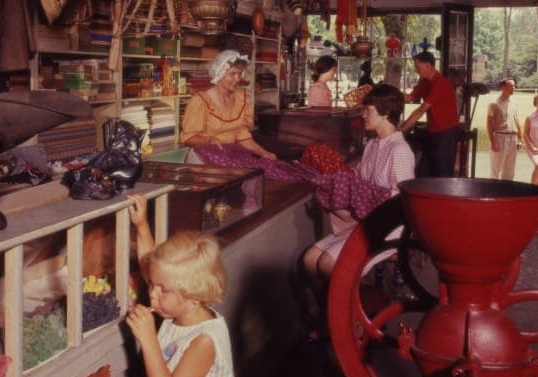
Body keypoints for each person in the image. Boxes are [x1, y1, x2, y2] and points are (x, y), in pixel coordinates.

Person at [125, 193, 265, 377]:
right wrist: (141, 225)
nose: (151, 293)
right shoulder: (179, 307)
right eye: (152, 284)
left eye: (162, 289)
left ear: (193, 297)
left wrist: (148, 339)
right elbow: (149, 266)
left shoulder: (204, 341)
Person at [302, 84, 415, 332]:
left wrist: (364, 199)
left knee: (328, 265)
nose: (363, 114)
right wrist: (335, 176)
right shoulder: (375, 144)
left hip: (390, 226)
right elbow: (361, 179)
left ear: (385, 113)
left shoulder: (400, 150)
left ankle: (351, 323)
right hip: (371, 219)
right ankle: (332, 316)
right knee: (310, 260)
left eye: (368, 110)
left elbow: (402, 201)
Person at [180, 49, 277, 160]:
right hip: (205, 155)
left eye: (240, 74)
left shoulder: (241, 98)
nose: (237, 79)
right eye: (232, 73)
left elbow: (242, 135)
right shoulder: (200, 101)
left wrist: (263, 153)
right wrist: (209, 140)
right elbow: (188, 139)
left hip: (231, 152)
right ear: (219, 73)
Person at [400, 51, 460, 177]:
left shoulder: (440, 84)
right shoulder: (425, 82)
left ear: (428, 65)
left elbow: (420, 110)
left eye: (418, 66)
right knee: (424, 172)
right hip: (433, 132)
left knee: (442, 174)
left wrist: (402, 129)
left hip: (446, 133)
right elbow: (409, 98)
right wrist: (387, 95)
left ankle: (443, 196)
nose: (416, 70)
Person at [486, 78, 522, 180]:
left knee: (510, 171)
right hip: (500, 137)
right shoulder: (494, 103)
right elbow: (489, 124)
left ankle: (507, 194)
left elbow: (517, 121)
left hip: (513, 138)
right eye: (510, 86)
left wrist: (520, 139)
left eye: (514, 86)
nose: (513, 88)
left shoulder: (514, 103)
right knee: (495, 170)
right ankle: (493, 193)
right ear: (503, 87)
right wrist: (493, 142)